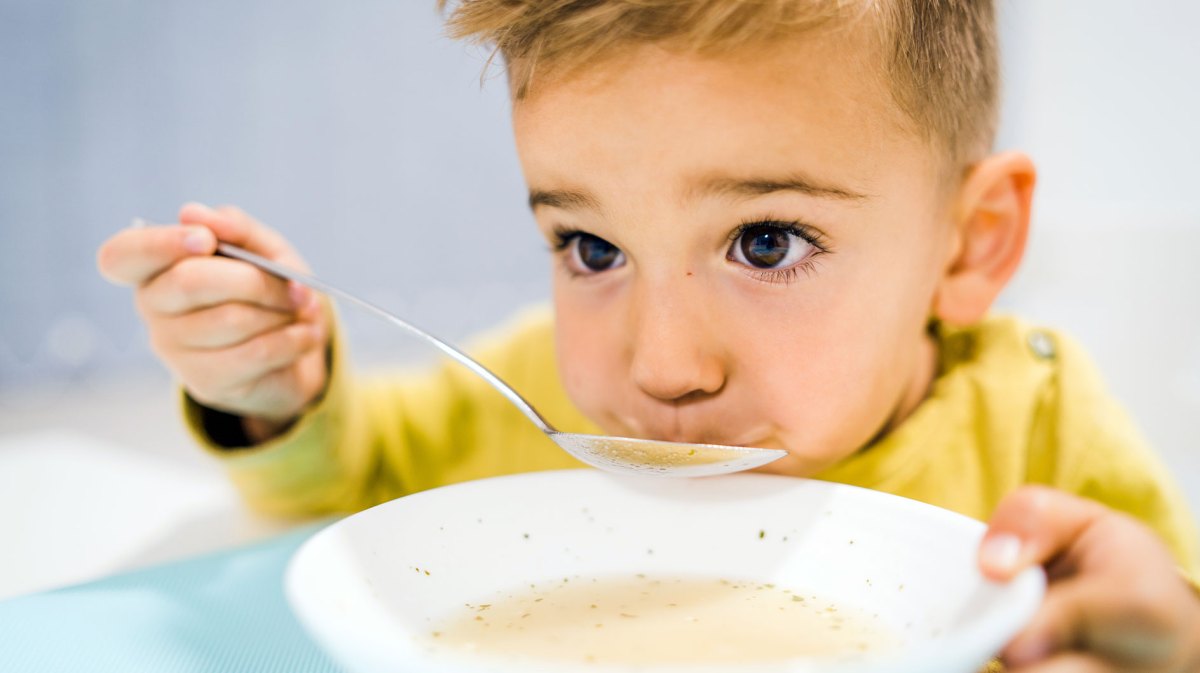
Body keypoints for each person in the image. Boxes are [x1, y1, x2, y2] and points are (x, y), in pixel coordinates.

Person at [97, 1, 1200, 669]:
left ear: (970, 245)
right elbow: (358, 478)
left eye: (766, 243)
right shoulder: (538, 383)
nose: (660, 368)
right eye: (592, 249)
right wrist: (277, 388)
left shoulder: (1039, 426)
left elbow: (1152, 616)